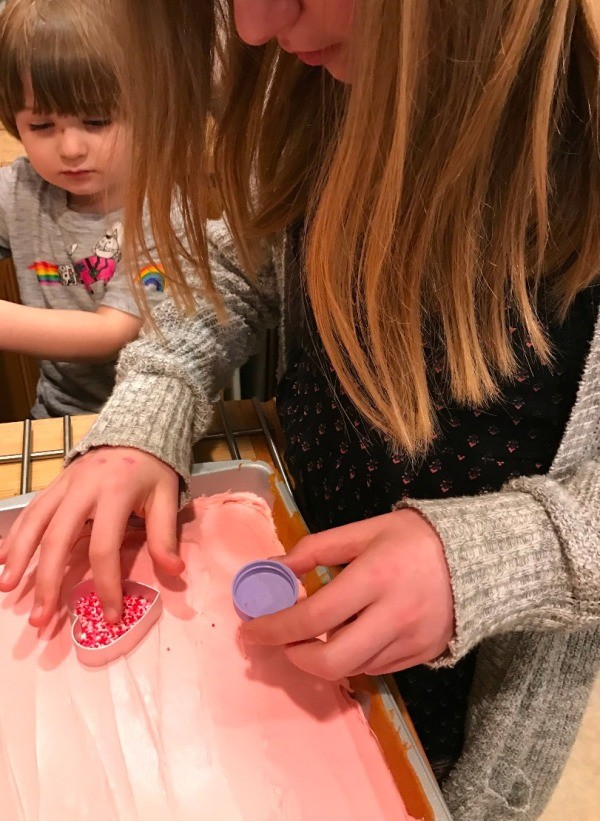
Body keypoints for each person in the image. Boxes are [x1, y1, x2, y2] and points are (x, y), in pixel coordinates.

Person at [1, 1, 599, 818]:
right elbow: (238, 262)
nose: (253, 27)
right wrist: (156, 394)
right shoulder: (326, 93)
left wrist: (509, 553)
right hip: (284, 626)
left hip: (467, 717)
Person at [0, 0, 167, 417]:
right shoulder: (21, 188)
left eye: (97, 121)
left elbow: (111, 332)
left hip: (152, 417)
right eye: (41, 127)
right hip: (55, 415)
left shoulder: (164, 209)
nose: (71, 149)